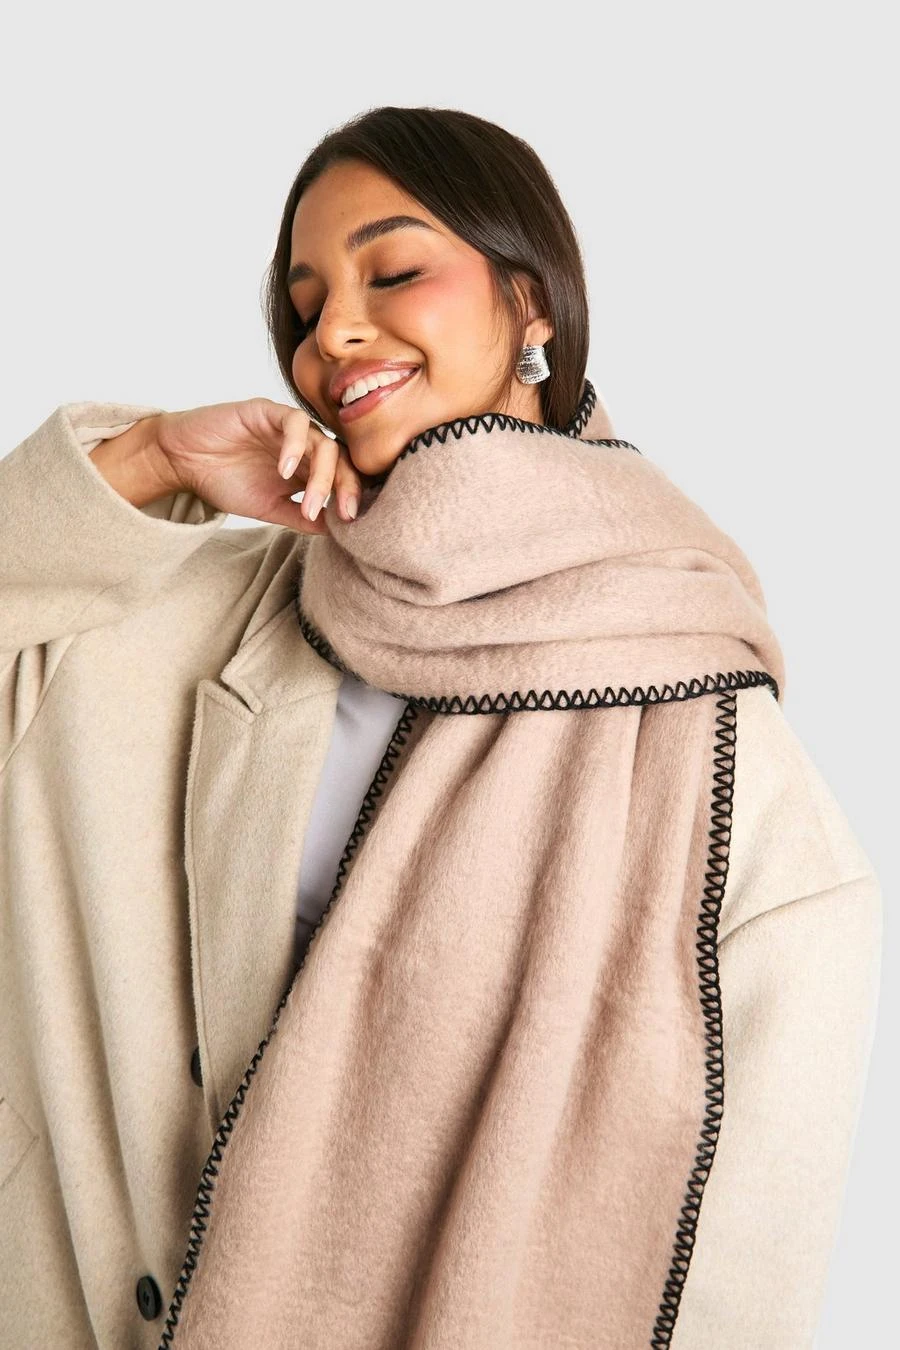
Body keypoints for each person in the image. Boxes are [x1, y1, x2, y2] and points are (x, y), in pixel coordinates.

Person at [0, 106, 882, 1350]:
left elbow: (736, 1271)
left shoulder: (721, 759)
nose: (332, 334)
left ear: (534, 304)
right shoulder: (164, 613)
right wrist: (148, 464)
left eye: (395, 272)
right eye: (305, 306)